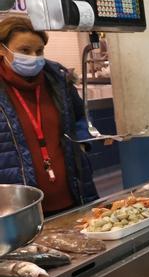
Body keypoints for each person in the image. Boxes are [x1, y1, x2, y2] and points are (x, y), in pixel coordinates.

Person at [0, 16, 98, 214]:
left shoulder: (58, 81)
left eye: (39, 51)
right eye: (24, 51)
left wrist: (82, 143)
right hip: (19, 210)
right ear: (2, 49)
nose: (34, 57)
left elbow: (80, 117)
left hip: (74, 196)